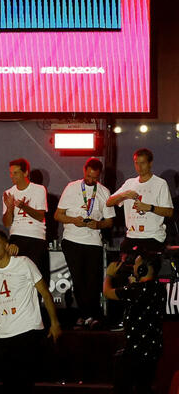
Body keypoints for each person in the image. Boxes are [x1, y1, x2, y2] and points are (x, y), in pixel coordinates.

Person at [0, 229, 63, 394]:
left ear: (7, 245)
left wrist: (55, 323)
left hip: (27, 329)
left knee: (24, 381)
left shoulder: (23, 263)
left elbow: (45, 293)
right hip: (3, 332)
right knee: (8, 382)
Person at [55, 156, 114, 327]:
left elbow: (109, 222)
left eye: (94, 177)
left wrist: (98, 224)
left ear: (99, 175)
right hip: (72, 240)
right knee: (78, 280)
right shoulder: (71, 188)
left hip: (93, 241)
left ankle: (92, 316)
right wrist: (74, 220)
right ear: (84, 171)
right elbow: (58, 215)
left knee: (93, 281)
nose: (91, 180)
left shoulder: (104, 192)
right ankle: (84, 315)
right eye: (88, 176)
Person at [103, 253, 166, 394]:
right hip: (153, 350)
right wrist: (134, 284)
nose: (134, 267)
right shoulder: (160, 288)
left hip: (135, 350)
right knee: (144, 387)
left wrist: (109, 275)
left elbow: (107, 292)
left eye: (137, 264)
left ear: (143, 268)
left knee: (122, 387)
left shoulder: (135, 290)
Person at [107, 148, 174, 253]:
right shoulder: (129, 183)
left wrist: (149, 208)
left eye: (142, 163)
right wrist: (124, 194)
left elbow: (169, 212)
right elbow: (109, 202)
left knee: (143, 261)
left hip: (153, 236)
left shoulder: (160, 183)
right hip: (132, 236)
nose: (139, 167)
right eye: (136, 163)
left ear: (150, 163)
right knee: (121, 260)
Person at [2, 158, 49, 280]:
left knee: (36, 276)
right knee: (17, 277)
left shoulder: (39, 189)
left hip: (36, 236)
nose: (12, 176)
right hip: (16, 236)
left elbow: (40, 216)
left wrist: (24, 207)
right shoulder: (9, 193)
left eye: (16, 173)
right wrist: (9, 208)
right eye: (11, 173)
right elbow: (7, 223)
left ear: (25, 173)